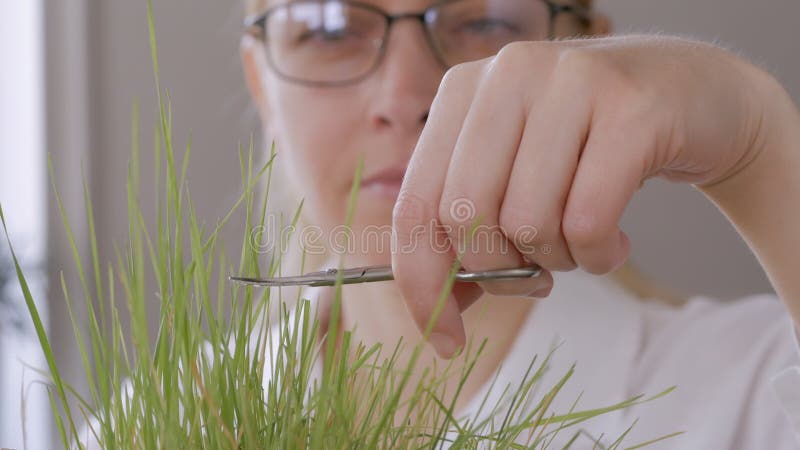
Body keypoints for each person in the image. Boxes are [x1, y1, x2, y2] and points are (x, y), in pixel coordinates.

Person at [238, 0, 800, 447]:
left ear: (590, 49)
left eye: (483, 20)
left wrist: (760, 142)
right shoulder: (164, 413)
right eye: (329, 30)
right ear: (263, 88)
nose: (405, 96)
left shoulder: (750, 389)